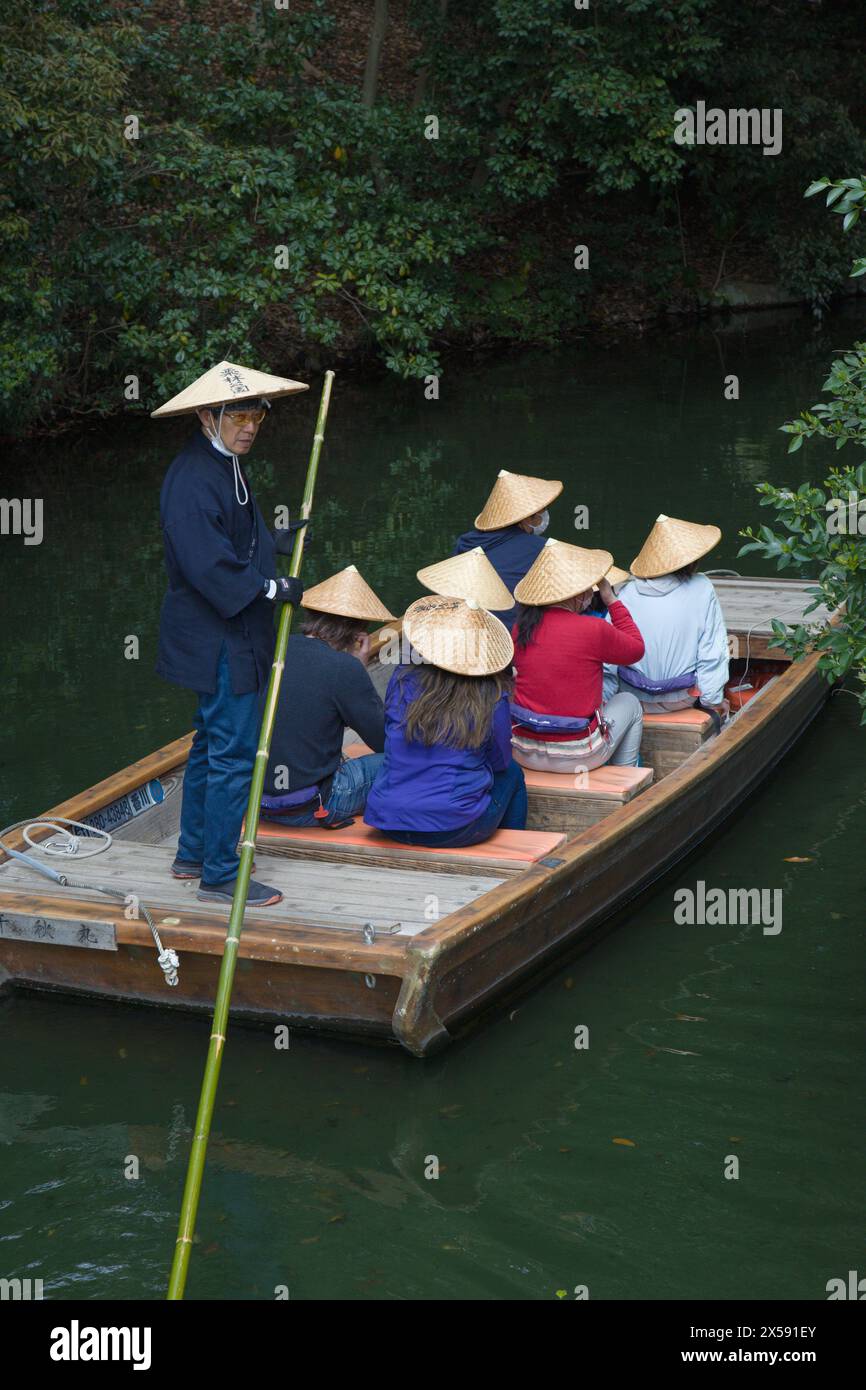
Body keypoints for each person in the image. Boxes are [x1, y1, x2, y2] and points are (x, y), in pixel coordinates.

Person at [152, 359, 310, 907]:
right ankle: (219, 873)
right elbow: (208, 564)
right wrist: (270, 590)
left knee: (210, 741)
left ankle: (192, 852)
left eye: (256, 417)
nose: (248, 427)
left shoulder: (227, 465)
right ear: (206, 416)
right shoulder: (193, 479)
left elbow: (239, 535)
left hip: (222, 630)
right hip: (216, 635)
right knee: (235, 750)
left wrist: (277, 543)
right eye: (236, 416)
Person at [364, 594, 527, 848]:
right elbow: (500, 761)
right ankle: (515, 854)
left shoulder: (402, 677)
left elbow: (390, 732)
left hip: (390, 823)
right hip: (453, 829)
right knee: (513, 774)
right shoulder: (491, 694)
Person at [260, 566, 394, 827]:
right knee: (407, 761)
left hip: (258, 803)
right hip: (313, 806)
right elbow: (384, 741)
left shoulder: (272, 648)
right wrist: (359, 669)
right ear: (358, 632)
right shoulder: (344, 667)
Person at [511, 540, 645, 772]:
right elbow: (636, 649)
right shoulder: (593, 628)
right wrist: (612, 600)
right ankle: (626, 774)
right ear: (575, 594)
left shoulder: (521, 627)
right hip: (576, 756)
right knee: (630, 702)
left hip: (523, 749)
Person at [610, 515, 730, 719]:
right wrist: (713, 701)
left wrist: (607, 697)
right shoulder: (702, 587)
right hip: (681, 698)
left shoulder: (627, 592)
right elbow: (712, 652)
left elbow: (609, 652)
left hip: (631, 697)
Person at [453, 469, 563, 625]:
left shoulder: (464, 543)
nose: (544, 516)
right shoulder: (542, 548)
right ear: (525, 518)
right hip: (514, 634)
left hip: (468, 628)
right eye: (541, 511)